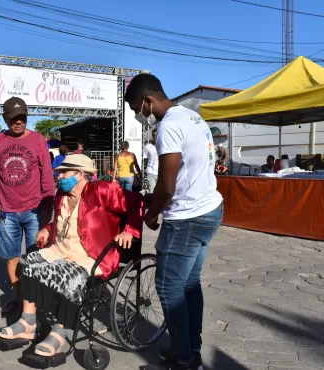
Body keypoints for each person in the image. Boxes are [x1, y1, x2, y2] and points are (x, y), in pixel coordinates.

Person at [0, 154, 144, 357]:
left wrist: (129, 230)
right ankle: (28, 321)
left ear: (80, 174)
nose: (60, 177)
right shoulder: (61, 195)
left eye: (64, 173)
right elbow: (59, 221)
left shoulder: (102, 190)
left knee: (67, 275)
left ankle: (59, 330)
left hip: (91, 255)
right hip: (61, 249)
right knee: (29, 262)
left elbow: (138, 201)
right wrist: (47, 229)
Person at [125, 73, 223, 370]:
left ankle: (183, 359)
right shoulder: (194, 118)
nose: (138, 115)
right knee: (189, 284)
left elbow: (166, 186)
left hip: (187, 218)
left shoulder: (168, 126)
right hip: (210, 209)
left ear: (147, 100)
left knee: (169, 289)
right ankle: (190, 347)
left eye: (135, 109)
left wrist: (152, 213)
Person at [0, 97, 55, 313]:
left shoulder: (38, 140)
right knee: (12, 258)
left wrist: (48, 205)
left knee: (37, 258)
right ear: (6, 119)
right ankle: (17, 297)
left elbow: (47, 175)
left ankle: (37, 299)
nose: (19, 121)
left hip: (35, 210)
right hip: (6, 212)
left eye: (22, 117)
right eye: (14, 118)